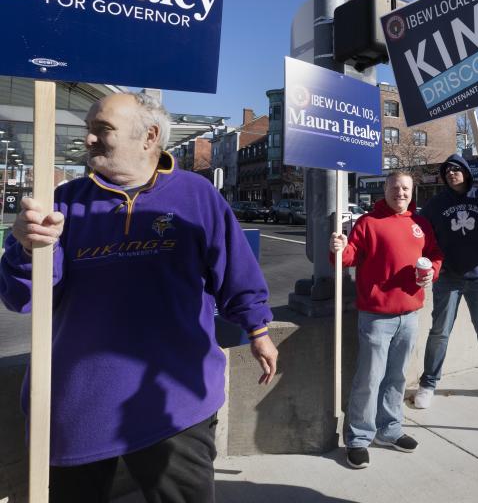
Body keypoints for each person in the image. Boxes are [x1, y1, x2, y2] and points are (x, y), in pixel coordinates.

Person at [0, 92, 278, 503]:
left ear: (149, 136)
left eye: (102, 130)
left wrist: (258, 328)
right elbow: (23, 299)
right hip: (77, 405)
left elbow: (236, 273)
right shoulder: (62, 203)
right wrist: (27, 250)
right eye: (88, 130)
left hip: (176, 401)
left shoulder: (198, 196)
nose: (89, 139)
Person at [330, 170, 443, 470]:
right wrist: (339, 249)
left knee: (397, 377)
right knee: (369, 378)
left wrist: (432, 269)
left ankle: (389, 429)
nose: (401, 193)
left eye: (406, 188)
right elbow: (349, 257)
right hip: (376, 315)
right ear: (386, 189)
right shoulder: (368, 222)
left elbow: (434, 255)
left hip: (410, 313)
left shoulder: (420, 224)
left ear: (412, 191)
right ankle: (358, 438)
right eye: (395, 188)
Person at [413, 154, 478, 409]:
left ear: (467, 172)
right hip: (448, 278)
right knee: (439, 332)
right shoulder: (436, 204)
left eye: (457, 169)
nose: (451, 173)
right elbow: (419, 232)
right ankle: (428, 383)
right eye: (447, 171)